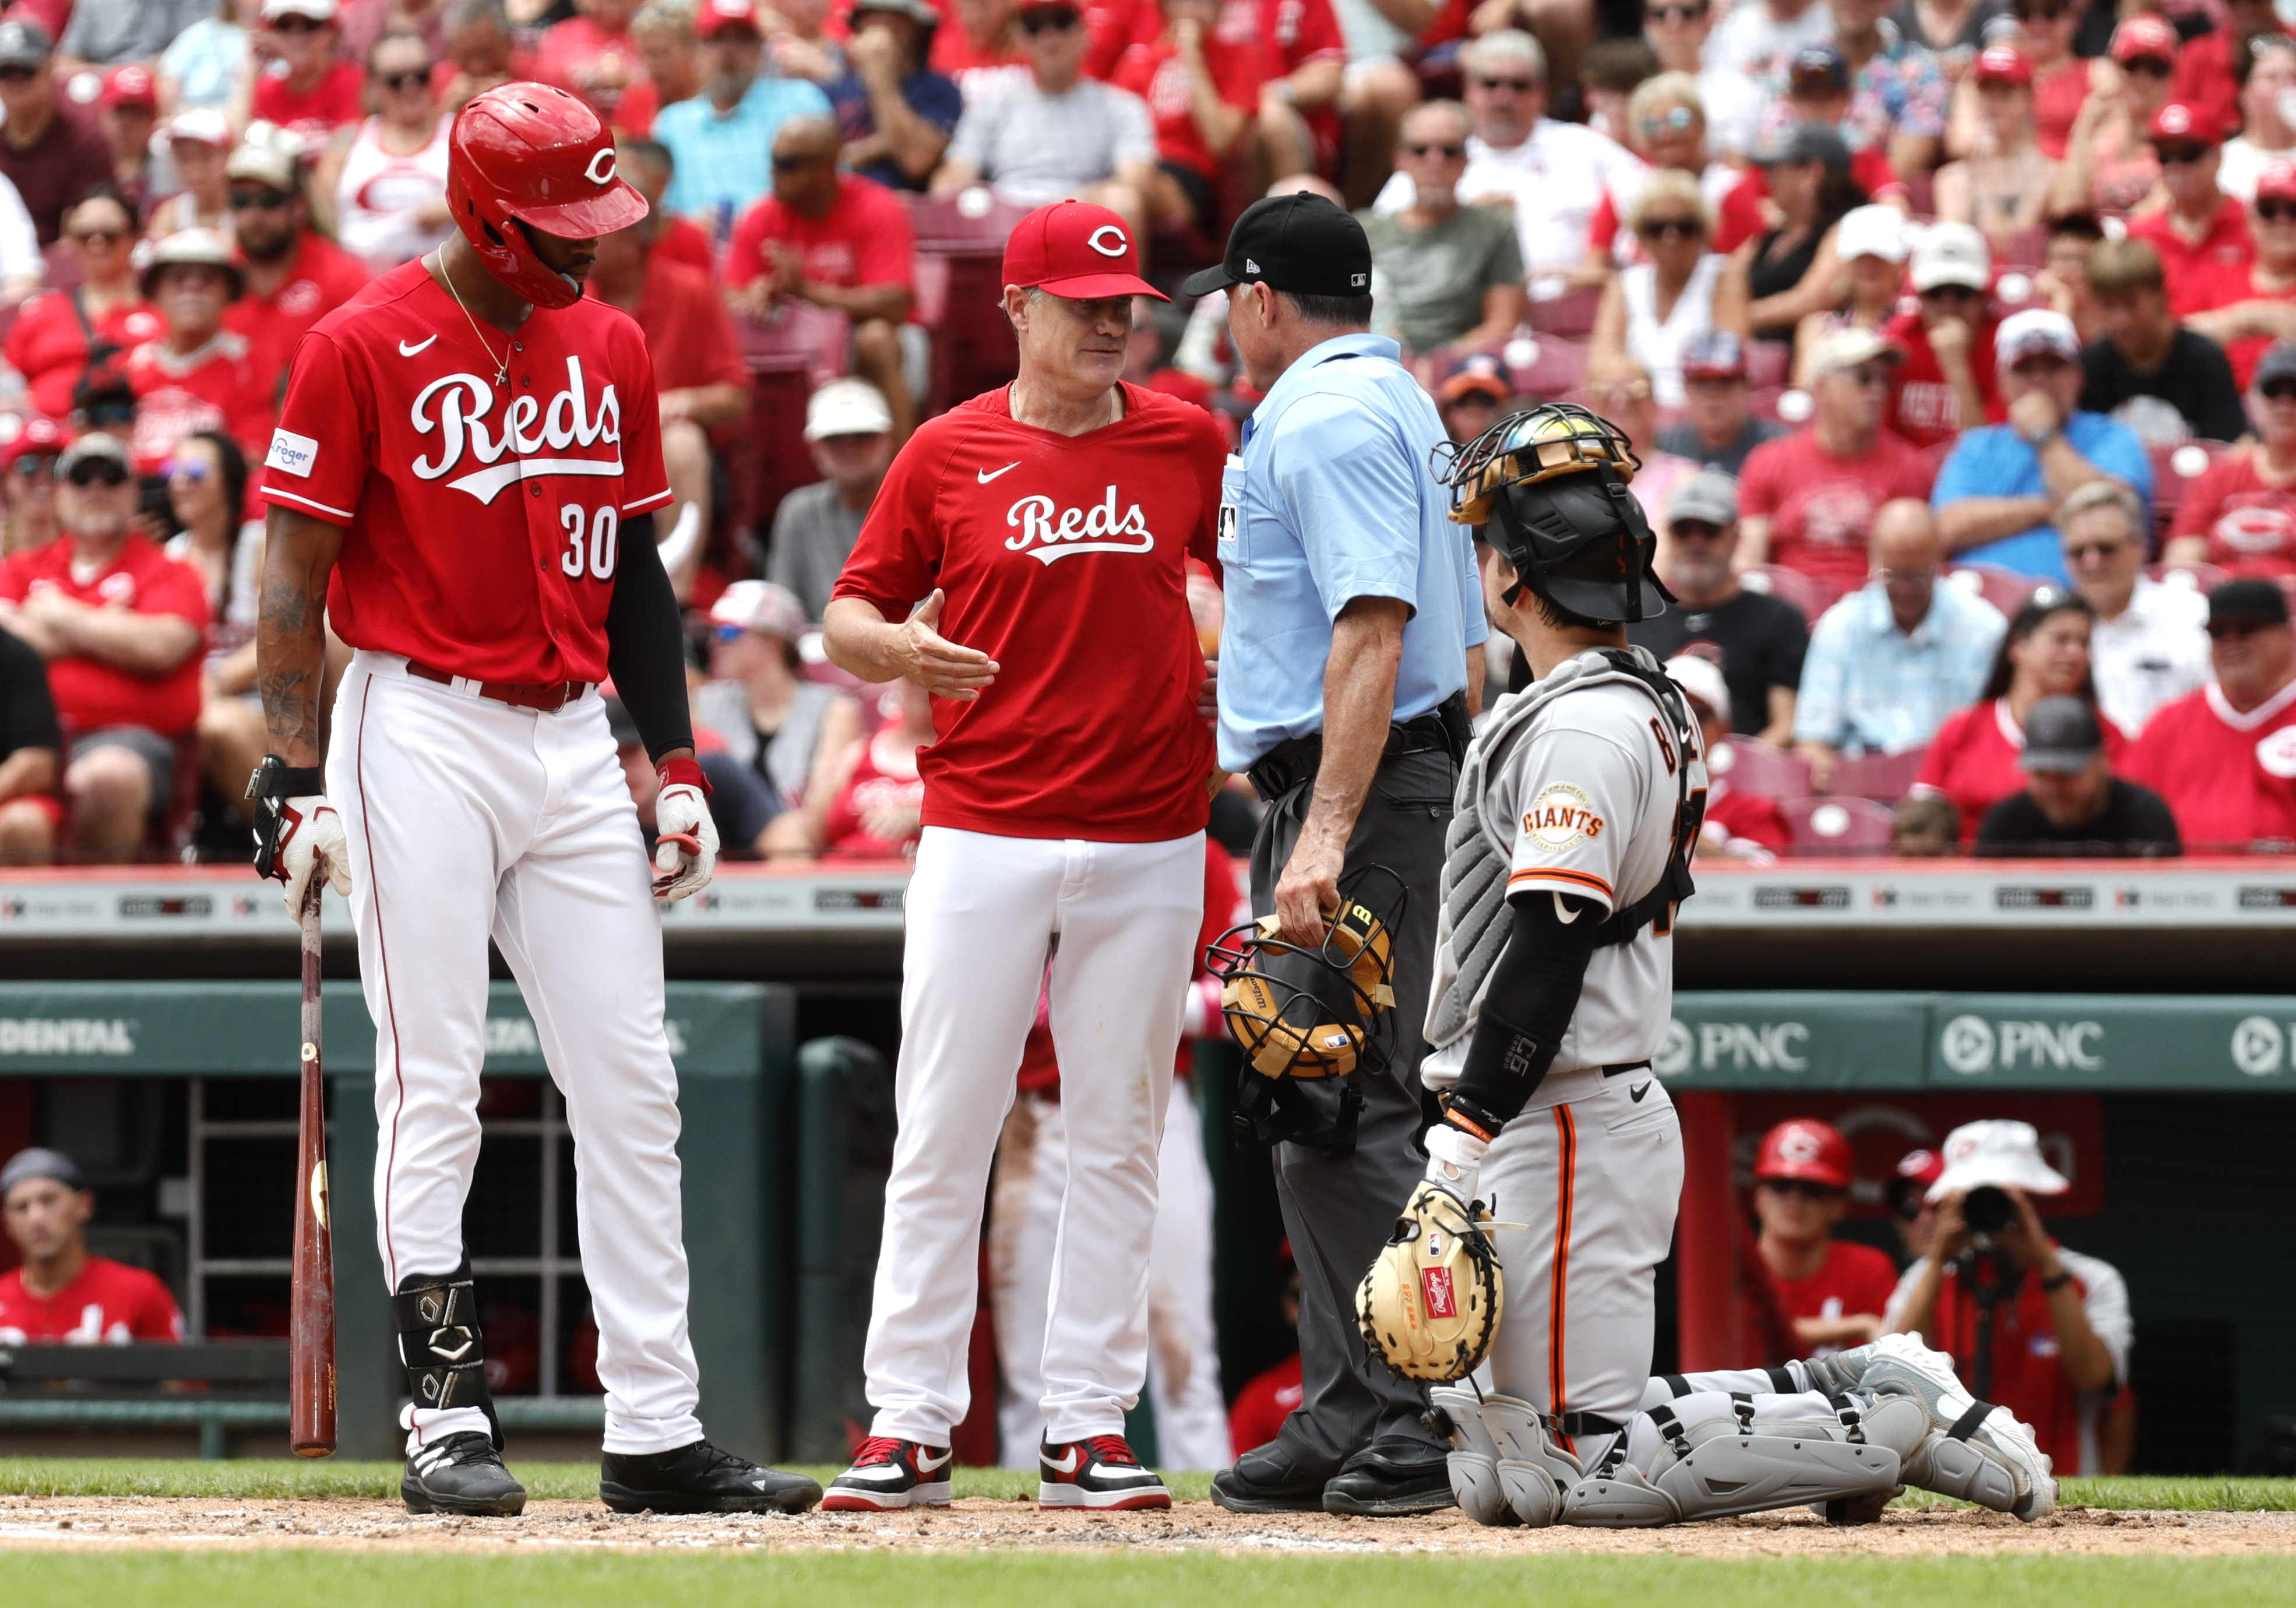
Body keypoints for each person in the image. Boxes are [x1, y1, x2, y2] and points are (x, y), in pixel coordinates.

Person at [251, 83, 816, 1519]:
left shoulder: (612, 343)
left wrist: (675, 765)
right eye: (560, 225)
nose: (587, 249)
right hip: (416, 722)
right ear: (483, 214)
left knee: (635, 1082)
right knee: (433, 1078)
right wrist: (287, 774)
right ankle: (444, 1415)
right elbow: (291, 580)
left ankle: (656, 1427)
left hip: (571, 737)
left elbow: (634, 574)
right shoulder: (357, 341)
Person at [815, 200, 1222, 1512]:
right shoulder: (945, 449)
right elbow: (847, 613)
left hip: (1151, 826)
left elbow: (1238, 581)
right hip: (982, 820)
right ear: (1017, 307)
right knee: (943, 1120)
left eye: (1127, 303)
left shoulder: (1189, 438)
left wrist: (1212, 636)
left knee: (1120, 1130)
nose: (1112, 320)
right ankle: (908, 1421)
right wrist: (897, 653)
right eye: (1085, 300)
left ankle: (1087, 1424)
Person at [1188, 192, 1478, 1517]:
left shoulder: (1327, 413)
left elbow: (1374, 627)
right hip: (1373, 782)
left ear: (1257, 298)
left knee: (1349, 1104)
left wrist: (1320, 829)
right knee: (1312, 1110)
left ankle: (1410, 1412)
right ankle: (1350, 1404)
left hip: (1357, 794)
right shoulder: (1385, 398)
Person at [0, 432, 206, 858]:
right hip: (21, 739)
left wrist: (60, 615)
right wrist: (110, 628)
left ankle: (92, 924)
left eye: (111, 476)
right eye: (81, 476)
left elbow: (161, 647)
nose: (96, 488)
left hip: (126, 740)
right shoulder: (19, 568)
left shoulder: (171, 571)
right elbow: (7, 640)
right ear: (59, 493)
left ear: (134, 492)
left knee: (108, 777)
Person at [1891, 1120, 2131, 1477]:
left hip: (2064, 1496)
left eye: (2006, 1196)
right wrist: (1940, 1257)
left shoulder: (2091, 1279)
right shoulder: (1925, 1280)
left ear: (2033, 1198)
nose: (1990, 1209)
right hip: (1951, 1490)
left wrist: (2043, 1259)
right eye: (1974, 1196)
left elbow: (2095, 1378)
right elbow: (1892, 1373)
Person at [1371, 31, 1638, 300]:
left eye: (1519, 85)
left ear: (1542, 93)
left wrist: (1607, 272)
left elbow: (1656, 202)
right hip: (1468, 318)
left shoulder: (1586, 148)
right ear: (1469, 91)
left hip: (1578, 307)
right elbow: (1384, 238)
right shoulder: (1437, 155)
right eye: (1491, 84)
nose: (1504, 96)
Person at [725, 115, 918, 444]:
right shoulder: (759, 216)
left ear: (826, 168)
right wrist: (755, 296)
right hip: (795, 344)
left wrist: (807, 292)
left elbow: (895, 304)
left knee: (876, 339)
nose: (773, 171)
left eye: (787, 163)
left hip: (874, 342)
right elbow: (727, 298)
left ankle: (907, 474)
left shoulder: (877, 206)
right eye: (772, 160)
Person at [1792, 498, 2007, 789]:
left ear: (1939, 561)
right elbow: (1813, 741)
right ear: (1873, 562)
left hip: (1951, 784)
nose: (1906, 590)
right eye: (1894, 576)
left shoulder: (1984, 629)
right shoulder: (1841, 626)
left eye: (1917, 576)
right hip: (1863, 783)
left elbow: (1999, 737)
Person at [1934, 308, 2152, 586]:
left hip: (2085, 607)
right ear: (2003, 382)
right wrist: (2047, 509)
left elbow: (2111, 513)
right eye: (2024, 369)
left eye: (2054, 366)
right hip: (1981, 610)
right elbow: (1949, 526)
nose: (2040, 380)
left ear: (2077, 375)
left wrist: (2045, 436)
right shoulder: (1978, 447)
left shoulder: (2113, 437)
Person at [932, 0, 1157, 242]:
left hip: (1082, 215)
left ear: (1085, 32)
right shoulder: (993, 106)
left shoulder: (1121, 106)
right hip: (1006, 217)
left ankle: (1119, 283)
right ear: (1022, 39)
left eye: (1061, 23)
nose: (1049, 36)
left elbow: (1137, 179)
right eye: (1035, 27)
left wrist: (1062, 205)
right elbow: (956, 171)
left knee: (1124, 200)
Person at [1911, 586, 2127, 839]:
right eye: (2062, 640)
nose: (2076, 653)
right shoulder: (1962, 730)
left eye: (2084, 643)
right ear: (2019, 646)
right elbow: (1921, 824)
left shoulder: (2104, 735)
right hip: (1969, 872)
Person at [1736, 328, 1938, 595]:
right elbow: (1749, 562)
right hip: (1786, 609)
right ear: (1821, 387)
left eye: (1885, 381)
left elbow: (1895, 573)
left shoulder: (1910, 467)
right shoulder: (1768, 461)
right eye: (1864, 379)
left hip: (1868, 610)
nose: (1878, 391)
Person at [1628, 468, 1805, 743]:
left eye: (1709, 530)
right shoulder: (1637, 618)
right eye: (1683, 530)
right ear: (1668, 536)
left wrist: (1727, 767)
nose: (1695, 543)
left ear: (1736, 535)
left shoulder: (1779, 620)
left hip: (1746, 775)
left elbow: (1787, 726)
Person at [2123, 578, 2296, 849]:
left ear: (2288, 635)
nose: (2232, 642)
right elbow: (2125, 819)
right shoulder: (2169, 725)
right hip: (2184, 888)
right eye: (2218, 633)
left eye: (2247, 629)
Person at [693, 578, 862, 852]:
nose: (715, 643)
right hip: (721, 863)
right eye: (711, 633)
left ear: (773, 641)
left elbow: (820, 824)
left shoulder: (834, 709)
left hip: (797, 866)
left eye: (728, 633)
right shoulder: (706, 704)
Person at [1360, 100, 1525, 361]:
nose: (1435, 160)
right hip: (1374, 362)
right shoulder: (1362, 230)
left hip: (1459, 373)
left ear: (1466, 160)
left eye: (1450, 150)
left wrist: (1438, 364)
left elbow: (1503, 323)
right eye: (1420, 150)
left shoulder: (1494, 227)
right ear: (1399, 159)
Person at [653, 0, 834, 235]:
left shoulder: (800, 101)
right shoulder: (673, 124)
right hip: (704, 260)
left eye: (742, 40)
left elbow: (835, 186)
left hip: (788, 243)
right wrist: (689, 228)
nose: (728, 51)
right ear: (697, 50)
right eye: (717, 40)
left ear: (760, 50)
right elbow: (658, 216)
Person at [221, 139, 375, 408]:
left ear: (299, 207)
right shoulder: (214, 276)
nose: (254, 214)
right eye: (241, 201)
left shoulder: (343, 276)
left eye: (269, 201)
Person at [167, 430, 270, 825]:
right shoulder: (170, 556)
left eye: (194, 471)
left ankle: (291, 846)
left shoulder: (258, 545)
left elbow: (288, 636)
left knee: (220, 725)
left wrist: (215, 683)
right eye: (172, 471)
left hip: (263, 703)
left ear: (227, 482)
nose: (179, 482)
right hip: (194, 703)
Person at [1578, 74, 1766, 286]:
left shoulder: (1729, 186)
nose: (1665, 132)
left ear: (1701, 124)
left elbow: (1740, 270)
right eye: (1651, 125)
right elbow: (1595, 263)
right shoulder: (1622, 185)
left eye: (1679, 120)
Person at [2060, 480, 2209, 736]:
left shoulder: (2190, 615)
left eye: (2106, 549)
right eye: (2077, 552)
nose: (2091, 561)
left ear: (2140, 547)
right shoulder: (2055, 628)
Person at [1590, 171, 1748, 409]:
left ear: (1704, 232)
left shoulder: (1723, 276)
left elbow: (1726, 361)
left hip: (1700, 416)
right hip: (1635, 412)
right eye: (1657, 228)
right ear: (1641, 236)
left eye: (1685, 227)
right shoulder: (1624, 284)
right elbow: (1601, 367)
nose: (1671, 238)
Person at [125, 228, 274, 478]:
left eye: (208, 279)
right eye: (177, 279)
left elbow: (252, 458)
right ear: (155, 292)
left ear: (229, 292)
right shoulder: (128, 366)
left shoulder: (252, 365)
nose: (192, 288)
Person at [1746, 1118, 1900, 1360]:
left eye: (1812, 1189)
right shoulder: (1735, 1269)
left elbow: (1885, 1363)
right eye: (1781, 1186)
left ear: (1839, 1206)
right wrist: (1859, 1324)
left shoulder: (1868, 1269)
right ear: (1758, 1197)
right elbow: (1749, 1332)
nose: (1795, 1199)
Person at [1105, 0, 1262, 235]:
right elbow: (1110, 136)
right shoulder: (1138, 61)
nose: (1196, 10)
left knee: (1126, 187)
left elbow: (1221, 141)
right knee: (1123, 193)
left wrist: (1191, 57)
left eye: (1207, 3)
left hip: (1193, 179)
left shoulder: (1238, 57)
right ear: (1165, 8)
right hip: (1136, 166)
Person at [3, 191, 159, 422]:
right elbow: (8, 378)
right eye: (85, 235)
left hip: (133, 430)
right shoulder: (43, 310)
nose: (97, 243)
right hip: (45, 441)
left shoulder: (160, 311)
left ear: (135, 237)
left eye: (109, 235)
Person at [0, 1148, 182, 1343]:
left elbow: (182, 1371)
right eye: (21, 1207)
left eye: (49, 1200)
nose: (36, 1218)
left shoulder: (139, 1292)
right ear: (7, 1222)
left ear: (84, 1205)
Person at [2079, 238, 2249, 446]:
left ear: (2160, 295)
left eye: (2132, 304)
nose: (2121, 319)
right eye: (2108, 306)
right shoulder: (2090, 365)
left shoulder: (2204, 360)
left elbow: (2228, 449)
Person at [1974, 692, 2181, 854]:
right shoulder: (2006, 827)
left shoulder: (2144, 819)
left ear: (2102, 760)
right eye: (2041, 776)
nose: (2053, 789)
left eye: (2066, 774)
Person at [766, 379, 895, 621]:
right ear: (814, 447)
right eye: (834, 439)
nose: (850, 447)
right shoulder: (798, 512)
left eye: (863, 435)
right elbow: (782, 611)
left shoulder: (923, 507)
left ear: (888, 439)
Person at [2168, 342, 2296, 579]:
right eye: (2273, 391)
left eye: (2295, 392)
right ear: (2252, 404)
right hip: (2224, 607)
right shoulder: (2218, 478)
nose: (2285, 404)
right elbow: (2182, 562)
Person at [1737, 125, 1870, 345]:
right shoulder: (1773, 233)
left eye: (1775, 169)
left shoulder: (1848, 227)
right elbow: (1729, 277)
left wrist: (1737, 315)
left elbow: (1814, 299)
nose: (1768, 179)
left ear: (1812, 171)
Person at [336, 29, 457, 272]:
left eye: (420, 76)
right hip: (368, 283)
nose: (410, 87)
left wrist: (452, 209)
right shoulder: (347, 143)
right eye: (396, 80)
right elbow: (327, 223)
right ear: (373, 85)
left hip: (445, 282)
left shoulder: (461, 135)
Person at [2126, 102, 2253, 319]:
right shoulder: (2141, 236)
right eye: (2165, 157)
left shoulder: (2257, 224)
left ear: (2218, 157)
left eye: (2188, 155)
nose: (2175, 167)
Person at [1881, 221, 1999, 452]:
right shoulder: (1898, 342)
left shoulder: (2003, 345)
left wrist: (1956, 365)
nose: (1949, 305)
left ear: (1984, 296)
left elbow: (1986, 455)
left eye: (1963, 293)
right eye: (1935, 294)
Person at [826, 0, 962, 193]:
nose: (883, 27)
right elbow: (822, 162)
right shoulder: (835, 89)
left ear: (918, 29)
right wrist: (883, 145)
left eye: (895, 18)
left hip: (904, 205)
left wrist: (881, 78)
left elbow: (918, 160)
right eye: (873, 17)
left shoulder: (939, 88)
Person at [2185, 160, 2296, 392]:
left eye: (2293, 210)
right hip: (2223, 411)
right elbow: (2176, 337)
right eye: (2269, 211)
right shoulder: (2216, 273)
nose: (2282, 221)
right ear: (2250, 221)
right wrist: (2254, 318)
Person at [0, 19, 113, 246]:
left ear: (50, 70)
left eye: (27, 69)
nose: (16, 80)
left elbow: (88, 230)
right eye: (5, 72)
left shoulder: (84, 141)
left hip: (62, 266)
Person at [2052, 16, 2177, 217]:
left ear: (2171, 76)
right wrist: (2085, 124)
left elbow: (2166, 210)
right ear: (2116, 69)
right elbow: (2066, 207)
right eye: (2133, 66)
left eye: (2156, 69)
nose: (2143, 78)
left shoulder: (2179, 142)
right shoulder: (2098, 134)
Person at [1667, 649, 1788, 859]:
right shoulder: (1626, 805)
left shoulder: (1754, 811)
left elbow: (1765, 883)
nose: (1681, 727)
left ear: (1723, 728)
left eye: (1695, 714)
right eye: (1667, 712)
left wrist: (1677, 831)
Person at [1934, 45, 2054, 254]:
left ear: (2029, 99)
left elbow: (2011, 247)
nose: (1994, 104)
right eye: (1986, 92)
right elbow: (1954, 248)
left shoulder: (2049, 173)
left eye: (2006, 93)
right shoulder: (1950, 179)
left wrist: (1983, 168)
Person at [1790, 203, 1910, 385]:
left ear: (1901, 262)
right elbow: (1807, 397)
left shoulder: (1913, 322)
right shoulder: (1818, 327)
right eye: (1860, 256)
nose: (1869, 265)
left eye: (1881, 255)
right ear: (1845, 263)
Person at [251, 0, 369, 152]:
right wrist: (251, 65)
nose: (297, 37)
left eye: (310, 25)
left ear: (333, 32)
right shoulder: (267, 89)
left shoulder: (355, 82)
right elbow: (237, 143)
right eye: (285, 26)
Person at [1659, 332, 1781, 476]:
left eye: (1725, 384)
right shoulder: (1663, 448)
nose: (1713, 397)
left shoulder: (1777, 447)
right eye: (1702, 385)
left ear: (1747, 387)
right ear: (1686, 389)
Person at [2219, 38, 2296, 203]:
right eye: (2271, 77)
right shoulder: (2224, 162)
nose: (2286, 86)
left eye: (2294, 77)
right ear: (2244, 92)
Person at [147, 109, 235, 238]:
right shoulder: (169, 215)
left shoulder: (245, 212)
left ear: (229, 154)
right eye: (184, 159)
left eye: (205, 157)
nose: (195, 168)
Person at [94, 66, 163, 215]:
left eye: (136, 114)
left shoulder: (169, 164)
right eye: (120, 113)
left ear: (154, 119)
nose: (127, 123)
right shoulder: (86, 165)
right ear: (102, 115)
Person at [1435, 363, 1509, 446]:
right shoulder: (1433, 455)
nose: (1475, 412)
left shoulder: (1518, 456)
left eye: (1486, 401)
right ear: (1448, 413)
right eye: (1463, 402)